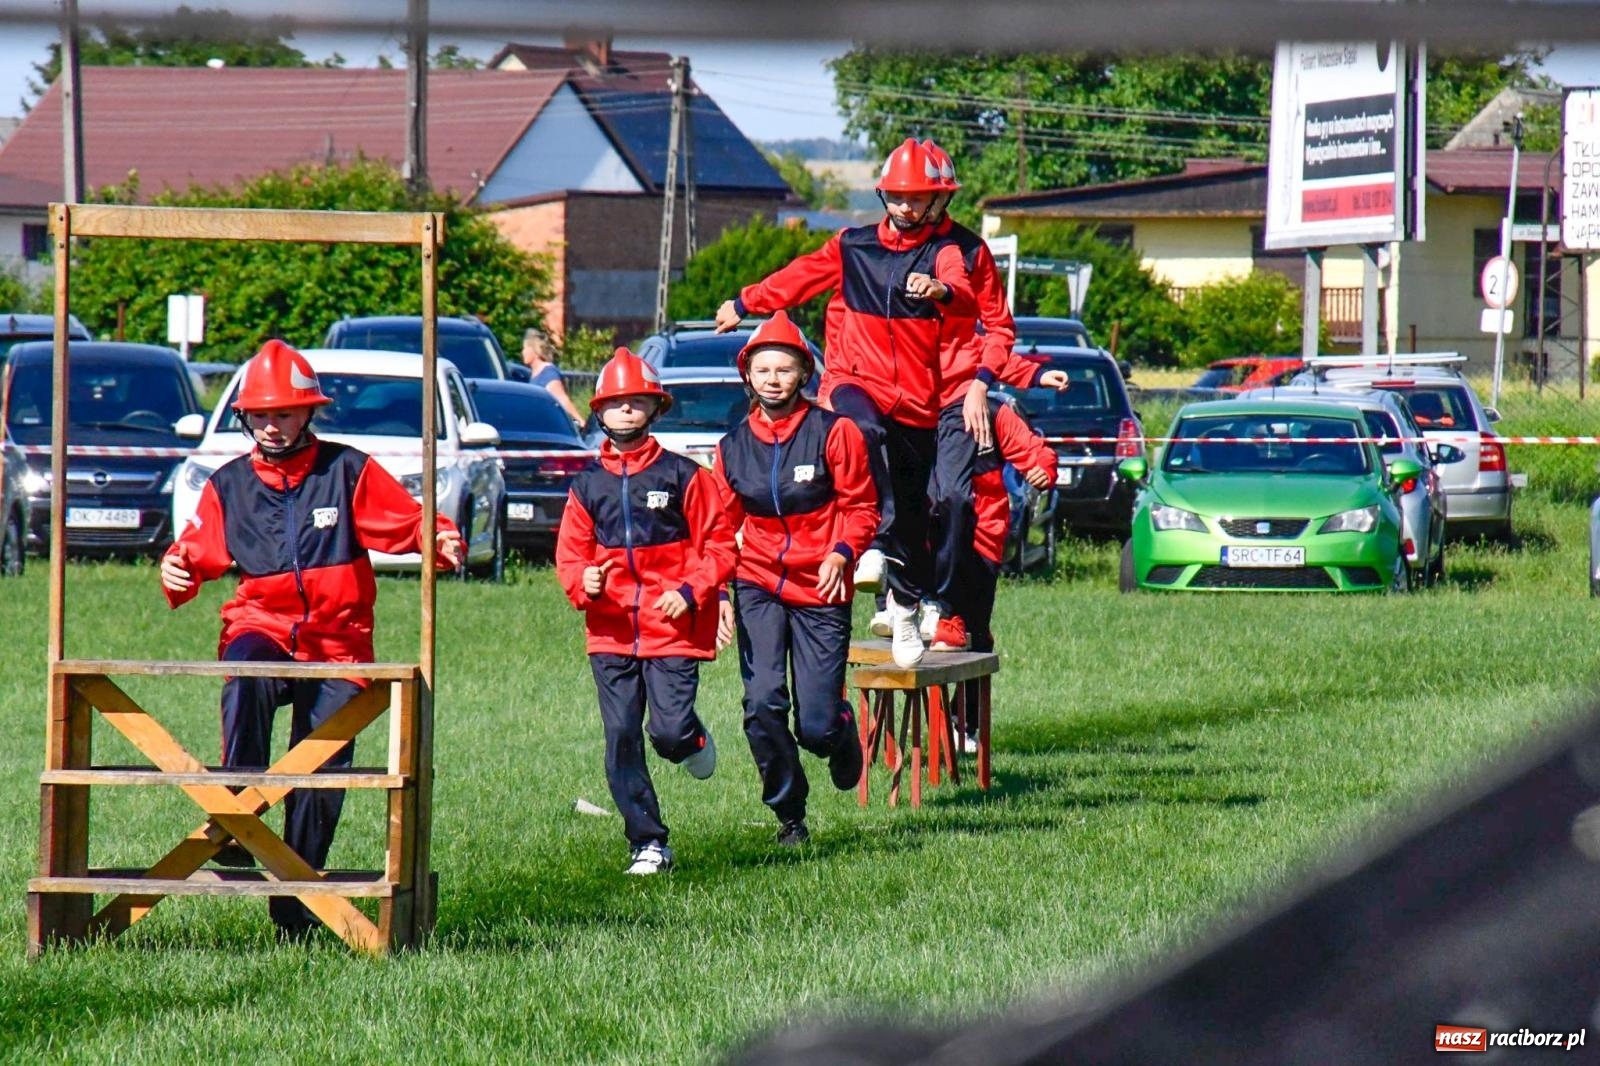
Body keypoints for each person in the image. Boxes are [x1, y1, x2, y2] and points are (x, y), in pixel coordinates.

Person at [159, 339, 462, 940]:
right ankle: (239, 809)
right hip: (261, 628)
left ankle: (295, 902)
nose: (272, 427)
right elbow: (194, 551)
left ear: (308, 414)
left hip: (339, 641)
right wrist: (176, 568)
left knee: (321, 768)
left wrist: (441, 538)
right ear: (245, 416)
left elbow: (412, 522)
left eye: (285, 413)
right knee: (245, 673)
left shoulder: (347, 469)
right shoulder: (229, 485)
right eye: (261, 415)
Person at [715, 138, 977, 668]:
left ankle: (904, 603)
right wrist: (745, 301)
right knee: (860, 429)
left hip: (918, 403)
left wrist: (942, 292)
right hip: (853, 382)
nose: (906, 207)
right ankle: (873, 549)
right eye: (898, 197)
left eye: (919, 198)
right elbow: (800, 276)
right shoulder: (851, 246)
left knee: (917, 509)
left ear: (939, 202)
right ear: (884, 195)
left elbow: (962, 290)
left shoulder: (948, 250)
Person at [555, 347, 736, 875]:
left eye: (638, 402)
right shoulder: (586, 486)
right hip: (609, 633)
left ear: (655, 408)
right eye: (616, 403)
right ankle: (648, 842)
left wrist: (692, 589)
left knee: (670, 733)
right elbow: (570, 554)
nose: (627, 411)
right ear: (600, 412)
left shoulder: (685, 475)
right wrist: (582, 581)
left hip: (672, 630)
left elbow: (721, 545)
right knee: (621, 737)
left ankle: (694, 737)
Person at [708, 312, 878, 846]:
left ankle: (842, 731)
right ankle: (789, 816)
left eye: (785, 369)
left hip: (822, 585)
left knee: (816, 725)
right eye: (764, 370)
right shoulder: (731, 447)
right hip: (757, 581)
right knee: (761, 703)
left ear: (805, 372)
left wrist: (842, 552)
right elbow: (718, 528)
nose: (774, 379)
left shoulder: (835, 431)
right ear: (748, 377)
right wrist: (717, 592)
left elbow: (864, 508)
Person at [949, 396, 1057, 748]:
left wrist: (1042, 469)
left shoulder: (993, 412)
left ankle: (962, 722)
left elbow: (1036, 453)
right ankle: (923, 718)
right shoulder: (917, 407)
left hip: (982, 537)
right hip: (929, 542)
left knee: (975, 632)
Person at [520, 327, 584, 426]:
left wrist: (580, 421)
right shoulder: (533, 373)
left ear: (534, 351)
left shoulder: (548, 372)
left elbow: (561, 398)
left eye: (525, 348)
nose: (523, 352)